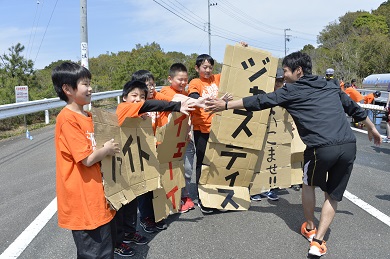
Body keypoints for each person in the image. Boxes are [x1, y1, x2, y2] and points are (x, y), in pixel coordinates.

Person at [205, 51, 381, 257]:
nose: (284, 75)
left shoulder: (291, 91)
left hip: (320, 148)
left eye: (286, 71)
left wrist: (225, 105)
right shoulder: (330, 85)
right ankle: (318, 243)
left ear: (298, 71)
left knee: (308, 183)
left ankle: (309, 226)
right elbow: (354, 109)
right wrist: (373, 129)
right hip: (348, 146)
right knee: (332, 195)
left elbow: (260, 101)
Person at [52, 62, 120, 258]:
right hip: (83, 200)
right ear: (67, 89)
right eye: (84, 84)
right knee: (94, 252)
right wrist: (107, 149)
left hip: (97, 195)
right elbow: (87, 159)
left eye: (90, 83)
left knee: (105, 249)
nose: (90, 88)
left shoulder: (88, 116)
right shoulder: (67, 118)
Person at [187, 54, 233, 214]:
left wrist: (241, 48)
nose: (207, 70)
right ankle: (203, 197)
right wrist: (204, 100)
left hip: (220, 128)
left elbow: (233, 68)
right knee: (203, 163)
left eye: (210, 67)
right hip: (202, 129)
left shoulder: (217, 78)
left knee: (218, 162)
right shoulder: (195, 82)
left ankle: (217, 194)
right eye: (204, 67)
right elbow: (193, 96)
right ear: (197, 68)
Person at [159, 63, 196, 213]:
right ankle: (172, 198)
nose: (183, 82)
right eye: (180, 79)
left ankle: (184, 195)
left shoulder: (187, 94)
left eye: (185, 80)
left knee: (187, 169)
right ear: (170, 79)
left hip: (185, 138)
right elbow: (177, 99)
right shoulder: (164, 91)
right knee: (171, 170)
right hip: (169, 140)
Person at [250, 67, 285, 202]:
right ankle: (255, 189)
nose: (278, 84)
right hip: (259, 129)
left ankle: (271, 188)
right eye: (276, 80)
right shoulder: (263, 93)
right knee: (258, 158)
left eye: (280, 81)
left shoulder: (285, 94)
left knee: (274, 158)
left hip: (277, 131)